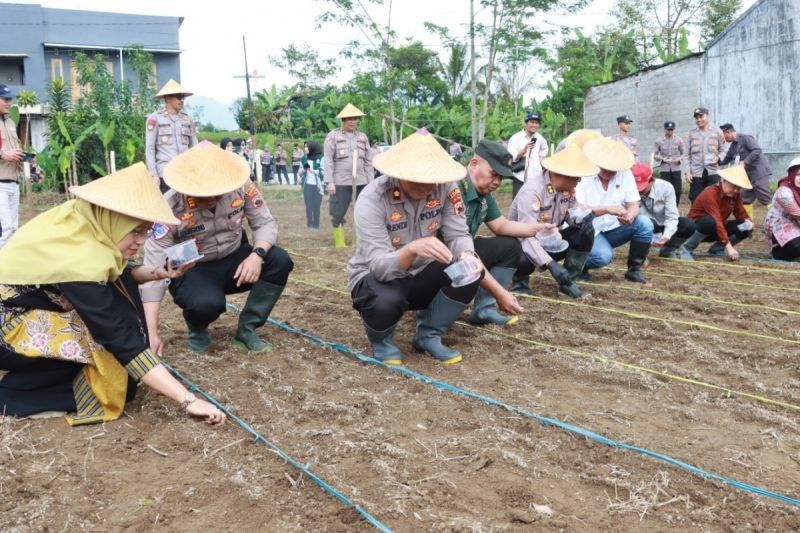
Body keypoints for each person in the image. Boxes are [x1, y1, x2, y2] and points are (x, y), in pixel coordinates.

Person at [0, 162, 225, 425]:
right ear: (113, 220)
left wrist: (160, 272)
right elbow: (118, 336)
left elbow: (114, 273)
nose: (142, 241)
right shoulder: (79, 257)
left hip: (28, 312)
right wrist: (188, 400)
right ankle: (18, 393)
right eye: (136, 231)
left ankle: (52, 372)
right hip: (8, 333)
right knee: (113, 362)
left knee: (117, 315)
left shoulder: (81, 222)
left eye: (147, 231)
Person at [142, 142, 294, 353]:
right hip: (192, 267)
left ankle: (247, 329)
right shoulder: (169, 207)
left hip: (233, 256)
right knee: (206, 304)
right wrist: (151, 333)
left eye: (218, 191)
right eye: (204, 192)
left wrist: (256, 255)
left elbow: (265, 223)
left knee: (279, 260)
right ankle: (197, 326)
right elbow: (153, 267)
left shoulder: (241, 187)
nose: (213, 198)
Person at [348, 130, 481, 365]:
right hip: (376, 277)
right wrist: (412, 249)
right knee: (384, 300)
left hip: (421, 273)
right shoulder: (372, 198)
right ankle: (382, 340)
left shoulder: (448, 189)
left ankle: (428, 335)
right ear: (398, 173)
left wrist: (467, 254)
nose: (426, 184)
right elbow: (379, 267)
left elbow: (458, 233)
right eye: (416, 177)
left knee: (469, 271)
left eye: (431, 178)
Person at [459, 139, 553, 326]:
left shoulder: (484, 195)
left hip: (465, 251)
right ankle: (428, 318)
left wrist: (535, 229)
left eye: (501, 178)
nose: (497, 182)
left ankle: (484, 310)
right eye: (493, 174)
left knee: (509, 246)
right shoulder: (455, 189)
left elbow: (500, 225)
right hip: (443, 253)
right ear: (474, 164)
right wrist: (500, 292)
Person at [508, 143, 599, 298]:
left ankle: (568, 282)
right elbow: (525, 235)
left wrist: (581, 218)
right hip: (523, 244)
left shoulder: (567, 190)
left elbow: (571, 216)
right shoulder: (533, 191)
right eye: (577, 175)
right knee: (521, 260)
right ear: (564, 173)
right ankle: (520, 281)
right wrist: (551, 265)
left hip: (549, 240)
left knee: (586, 230)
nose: (580, 180)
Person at [578, 138, 653, 283]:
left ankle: (634, 269)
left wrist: (630, 215)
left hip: (613, 227)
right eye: (605, 167)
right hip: (587, 230)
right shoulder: (584, 175)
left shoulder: (625, 174)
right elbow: (578, 210)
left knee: (645, 224)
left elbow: (634, 204)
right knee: (602, 257)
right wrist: (607, 209)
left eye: (613, 169)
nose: (608, 172)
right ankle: (577, 264)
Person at [324, 103, 374, 247]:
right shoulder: (332, 136)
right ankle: (340, 243)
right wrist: (330, 182)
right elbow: (328, 160)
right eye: (349, 119)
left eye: (355, 118)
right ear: (343, 120)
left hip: (361, 181)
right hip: (340, 181)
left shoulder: (363, 137)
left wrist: (371, 183)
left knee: (362, 212)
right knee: (338, 212)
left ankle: (358, 241)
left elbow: (368, 162)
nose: (353, 121)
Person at [683, 165, 753, 261]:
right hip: (698, 229)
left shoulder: (735, 195)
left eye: (738, 188)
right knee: (710, 221)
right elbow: (717, 220)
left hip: (717, 229)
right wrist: (729, 247)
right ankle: (687, 248)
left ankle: (717, 249)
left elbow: (741, 213)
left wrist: (748, 221)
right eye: (733, 187)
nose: (736, 191)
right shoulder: (710, 193)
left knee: (745, 226)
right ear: (724, 181)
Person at [633, 162, 696, 258]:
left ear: (652, 181)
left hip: (663, 223)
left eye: (642, 188)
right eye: (637, 187)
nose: (639, 191)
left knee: (688, 225)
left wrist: (666, 236)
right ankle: (642, 252)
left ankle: (668, 250)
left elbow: (672, 216)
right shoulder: (630, 190)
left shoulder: (666, 187)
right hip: (645, 226)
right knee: (646, 222)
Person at [145, 79, 198, 192]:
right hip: (165, 174)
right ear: (167, 98)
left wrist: (196, 170)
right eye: (178, 97)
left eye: (183, 97)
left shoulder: (188, 119)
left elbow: (195, 148)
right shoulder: (155, 118)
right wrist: (153, 174)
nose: (181, 100)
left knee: (188, 207)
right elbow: (150, 148)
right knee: (168, 207)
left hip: (185, 173)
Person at [719, 123, 773, 218]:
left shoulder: (745, 138)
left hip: (759, 173)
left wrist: (745, 162)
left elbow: (757, 150)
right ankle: (748, 223)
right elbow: (727, 159)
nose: (723, 137)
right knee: (744, 198)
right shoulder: (733, 146)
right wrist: (718, 161)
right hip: (747, 177)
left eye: (723, 135)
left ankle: (776, 222)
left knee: (765, 198)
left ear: (728, 132)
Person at [684, 107, 726, 204]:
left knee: (714, 199)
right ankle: (697, 219)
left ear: (708, 117)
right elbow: (686, 155)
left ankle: (713, 219)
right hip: (696, 173)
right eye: (696, 118)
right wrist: (687, 172)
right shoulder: (690, 134)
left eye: (701, 117)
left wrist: (719, 158)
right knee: (695, 199)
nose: (698, 120)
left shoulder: (718, 132)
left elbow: (723, 150)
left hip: (713, 172)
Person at [0, 83, 23, 249]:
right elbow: (4, 152)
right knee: (5, 229)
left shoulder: (10, 123)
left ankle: (8, 269)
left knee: (14, 228)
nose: (9, 103)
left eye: (10, 99)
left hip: (14, 183)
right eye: (5, 99)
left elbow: (15, 148)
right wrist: (3, 154)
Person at [765, 157, 800, 261]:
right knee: (798, 246)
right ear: (791, 174)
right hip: (779, 225)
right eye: (798, 174)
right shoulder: (784, 193)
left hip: (795, 223)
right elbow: (798, 214)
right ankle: (778, 254)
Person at [508, 112, 549, 198]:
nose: (535, 125)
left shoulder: (540, 138)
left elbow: (544, 148)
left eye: (537, 123)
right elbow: (512, 158)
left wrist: (541, 159)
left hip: (536, 176)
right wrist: (523, 150)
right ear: (526, 123)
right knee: (518, 202)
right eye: (532, 122)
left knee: (535, 202)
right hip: (521, 177)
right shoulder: (515, 138)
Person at [653, 121, 685, 205]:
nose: (669, 132)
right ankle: (666, 208)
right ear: (665, 130)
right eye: (668, 130)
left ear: (673, 130)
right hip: (665, 170)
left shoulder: (679, 140)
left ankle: (675, 207)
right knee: (665, 190)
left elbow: (684, 153)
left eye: (671, 130)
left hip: (676, 168)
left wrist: (679, 159)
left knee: (677, 190)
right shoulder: (659, 141)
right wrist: (662, 159)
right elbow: (655, 155)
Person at [301, 140, 324, 230]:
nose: (305, 148)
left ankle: (316, 224)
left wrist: (313, 171)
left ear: (312, 147)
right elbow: (300, 173)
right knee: (308, 206)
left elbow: (323, 172)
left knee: (316, 206)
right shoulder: (304, 158)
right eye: (305, 146)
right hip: (307, 186)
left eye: (307, 146)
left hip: (318, 186)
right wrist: (304, 169)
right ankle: (309, 224)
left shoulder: (321, 158)